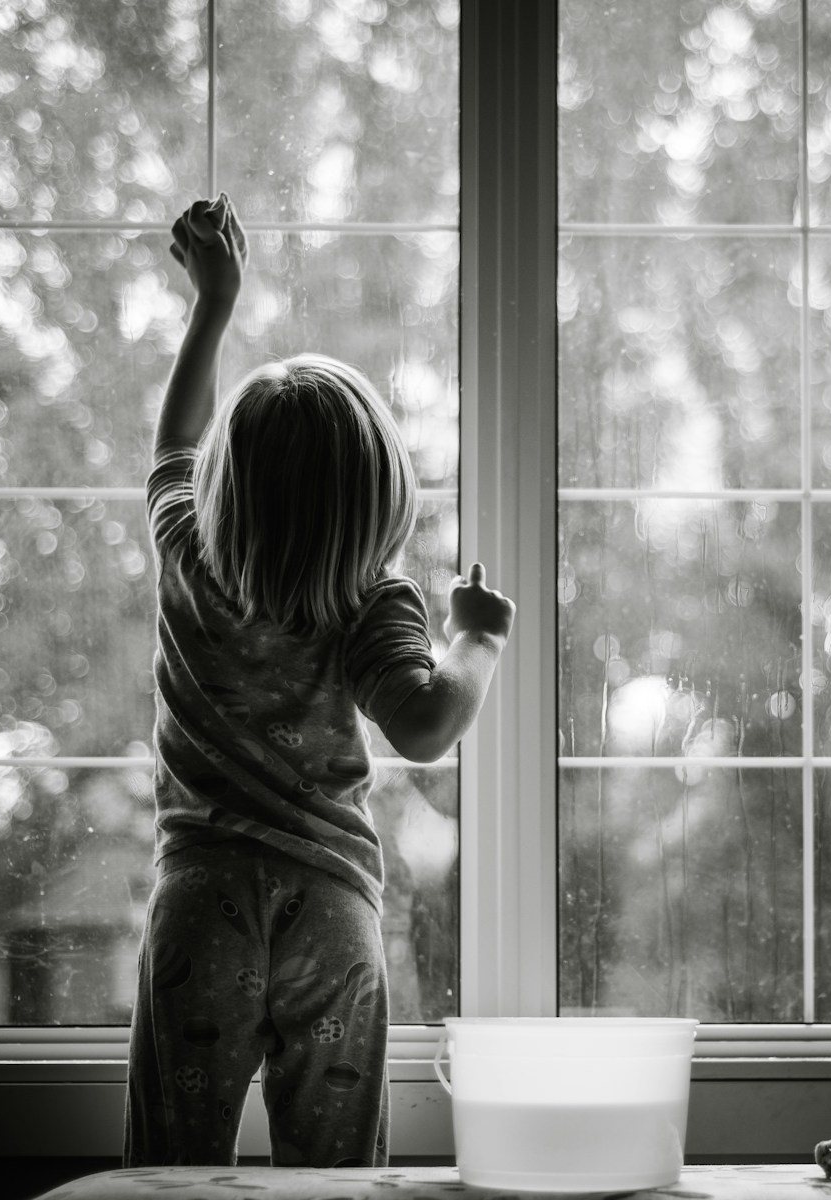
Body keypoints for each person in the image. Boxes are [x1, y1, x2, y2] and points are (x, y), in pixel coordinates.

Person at [124, 194, 515, 1168]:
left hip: (201, 898)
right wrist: (477, 639)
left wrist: (213, 304)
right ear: (380, 498)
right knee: (334, 1171)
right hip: (328, 909)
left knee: (176, 1161)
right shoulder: (371, 601)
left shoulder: (187, 553)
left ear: (224, 487)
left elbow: (173, 446)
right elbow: (425, 728)